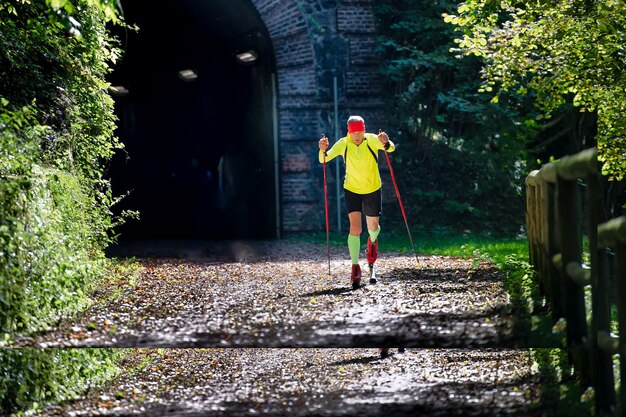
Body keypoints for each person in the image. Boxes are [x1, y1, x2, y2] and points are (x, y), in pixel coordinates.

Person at [318, 115, 395, 289]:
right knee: (355, 228)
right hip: (352, 189)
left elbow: (391, 149)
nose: (357, 135)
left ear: (364, 130)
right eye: (354, 132)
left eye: (360, 131)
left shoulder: (373, 140)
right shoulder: (343, 143)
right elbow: (323, 159)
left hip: (372, 189)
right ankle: (355, 268)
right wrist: (322, 149)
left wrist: (386, 142)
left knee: (373, 228)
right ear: (349, 132)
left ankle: (372, 243)